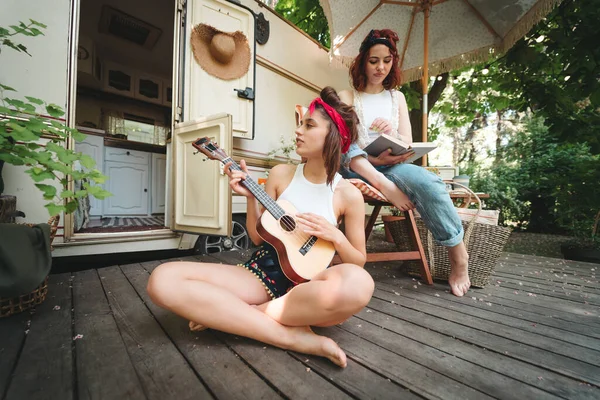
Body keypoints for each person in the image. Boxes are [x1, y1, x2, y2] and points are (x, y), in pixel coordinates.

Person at [147, 87, 373, 368]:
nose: (298, 131)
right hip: (262, 274)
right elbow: (256, 237)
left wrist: (335, 236)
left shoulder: (348, 195)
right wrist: (252, 197)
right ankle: (291, 337)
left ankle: (238, 315)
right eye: (300, 124)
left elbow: (358, 261)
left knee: (359, 283)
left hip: (310, 288)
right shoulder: (281, 175)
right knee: (162, 278)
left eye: (309, 125)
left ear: (334, 137)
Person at [338, 29, 471, 297]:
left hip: (391, 165)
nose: (380, 67)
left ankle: (459, 257)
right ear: (362, 61)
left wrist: (393, 135)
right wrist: (374, 161)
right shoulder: (348, 96)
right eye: (374, 60)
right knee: (341, 138)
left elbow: (408, 144)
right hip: (358, 169)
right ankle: (384, 185)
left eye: (387, 61)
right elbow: (344, 146)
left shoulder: (396, 98)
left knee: (430, 182)